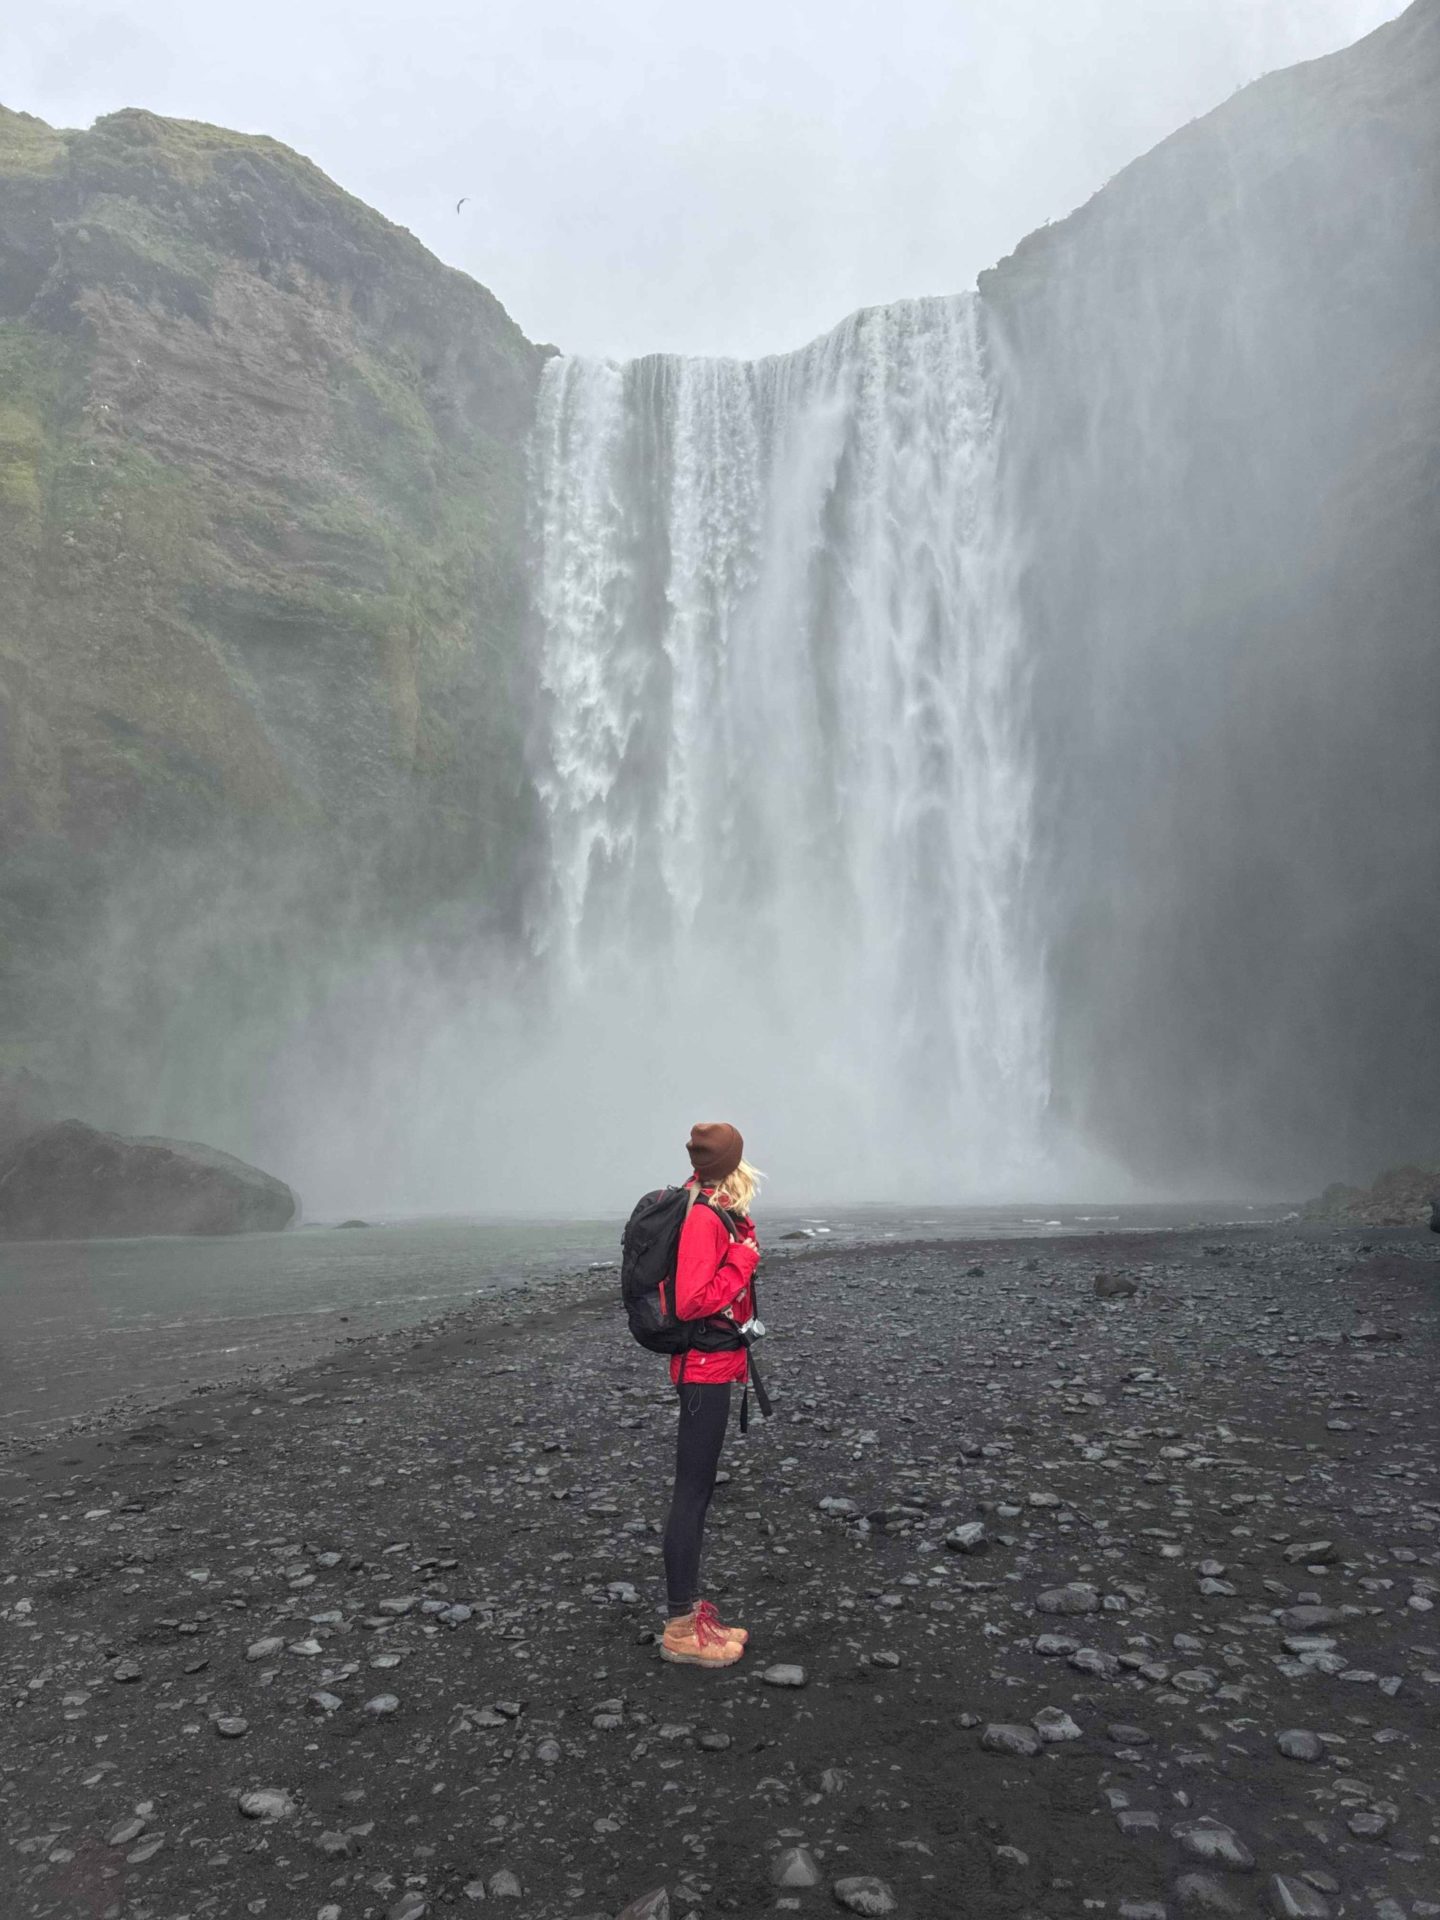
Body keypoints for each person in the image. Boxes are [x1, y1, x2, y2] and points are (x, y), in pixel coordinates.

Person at [659, 1121, 762, 1668]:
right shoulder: (702, 1217)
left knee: (696, 1490)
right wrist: (743, 1259)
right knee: (692, 1492)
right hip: (703, 1369)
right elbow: (691, 1301)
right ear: (731, 1164)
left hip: (712, 1364)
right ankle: (680, 1628)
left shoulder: (708, 1204)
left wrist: (740, 1243)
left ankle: (691, 1613)